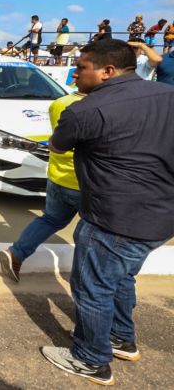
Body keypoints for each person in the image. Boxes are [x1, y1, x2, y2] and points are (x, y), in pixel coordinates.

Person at [40, 39, 174, 386]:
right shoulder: (167, 96)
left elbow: (57, 145)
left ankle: (90, 359)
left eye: (82, 66)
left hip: (113, 217)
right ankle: (120, 338)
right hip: (161, 217)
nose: (74, 72)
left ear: (107, 71)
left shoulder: (85, 109)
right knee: (121, 277)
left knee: (92, 287)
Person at [0, 90, 85, 282]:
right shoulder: (99, 106)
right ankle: (85, 278)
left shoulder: (59, 103)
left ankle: (16, 253)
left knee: (51, 219)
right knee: (91, 232)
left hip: (57, 176)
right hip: (85, 182)